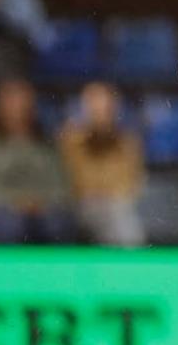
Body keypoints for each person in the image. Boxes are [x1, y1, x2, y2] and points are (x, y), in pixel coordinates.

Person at [0, 79, 73, 243]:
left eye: (25, 100)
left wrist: (40, 202)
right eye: (13, 100)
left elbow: (60, 182)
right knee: (13, 225)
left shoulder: (45, 139)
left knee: (58, 222)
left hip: (40, 208)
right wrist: (14, 203)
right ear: (0, 104)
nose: (19, 106)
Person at [59, 82, 146, 247]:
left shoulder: (128, 142)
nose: (99, 114)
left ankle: (126, 266)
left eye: (104, 108)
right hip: (78, 207)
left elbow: (131, 185)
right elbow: (69, 182)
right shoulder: (70, 140)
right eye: (94, 108)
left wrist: (106, 194)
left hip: (116, 206)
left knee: (118, 214)